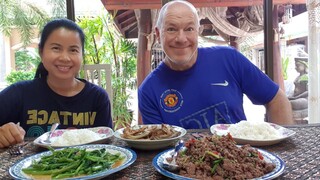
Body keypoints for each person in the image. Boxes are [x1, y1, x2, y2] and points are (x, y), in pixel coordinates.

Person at [138, 0, 294, 129]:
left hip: (240, 161)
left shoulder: (228, 58)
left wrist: (282, 154)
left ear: (198, 31)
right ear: (158, 34)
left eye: (189, 29)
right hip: (183, 164)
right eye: (171, 29)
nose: (181, 38)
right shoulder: (148, 91)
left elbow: (277, 99)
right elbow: (159, 148)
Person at [0, 18, 112, 148]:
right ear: (41, 52)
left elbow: (107, 147)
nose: (65, 58)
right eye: (56, 48)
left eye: (73, 50)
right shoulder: (20, 93)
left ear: (82, 55)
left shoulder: (98, 97)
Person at [289, 57, 308, 121]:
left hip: (305, 99)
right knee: (285, 101)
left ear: (304, 66)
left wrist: (296, 97)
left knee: (292, 103)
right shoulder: (298, 77)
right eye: (295, 66)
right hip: (296, 97)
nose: (296, 68)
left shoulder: (307, 77)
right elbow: (294, 89)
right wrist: (291, 96)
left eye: (298, 66)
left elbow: (308, 92)